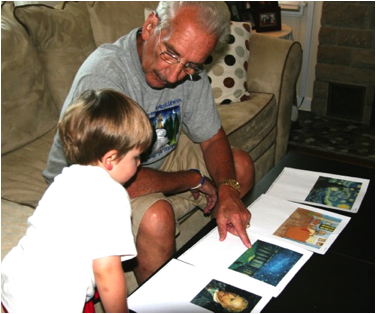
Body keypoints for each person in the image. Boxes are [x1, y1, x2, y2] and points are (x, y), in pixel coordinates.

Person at [43, 1, 255, 286]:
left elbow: (213, 137)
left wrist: (228, 189)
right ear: (150, 26)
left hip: (151, 157)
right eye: (170, 54)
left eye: (190, 65)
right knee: (157, 217)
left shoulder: (187, 67)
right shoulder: (105, 76)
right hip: (96, 182)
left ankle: (210, 268)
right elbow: (108, 177)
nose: (174, 76)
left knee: (239, 167)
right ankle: (157, 297)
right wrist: (193, 179)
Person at [1, 89, 153, 312]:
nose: (139, 164)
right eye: (136, 157)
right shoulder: (111, 194)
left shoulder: (65, 179)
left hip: (14, 288)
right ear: (110, 159)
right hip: (50, 303)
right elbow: (107, 270)